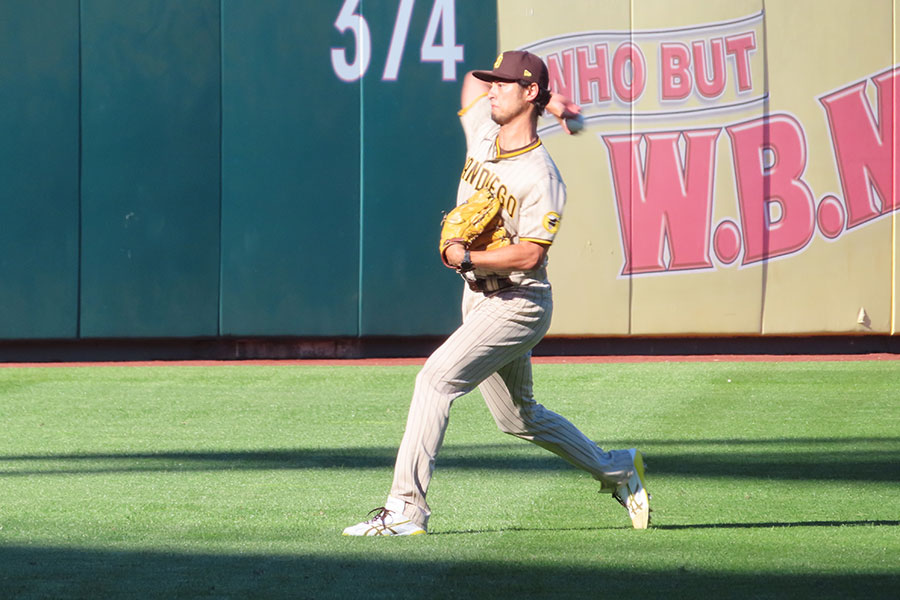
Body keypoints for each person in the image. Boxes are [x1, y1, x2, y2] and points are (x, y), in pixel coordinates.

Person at [343, 50, 649, 536]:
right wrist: (549, 105)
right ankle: (617, 468)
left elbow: (529, 254)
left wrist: (467, 258)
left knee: (434, 381)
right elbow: (469, 81)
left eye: (505, 84)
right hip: (480, 298)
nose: (492, 90)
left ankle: (405, 509)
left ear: (526, 92)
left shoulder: (543, 177)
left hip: (518, 304)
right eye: (495, 82)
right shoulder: (484, 131)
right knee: (518, 418)